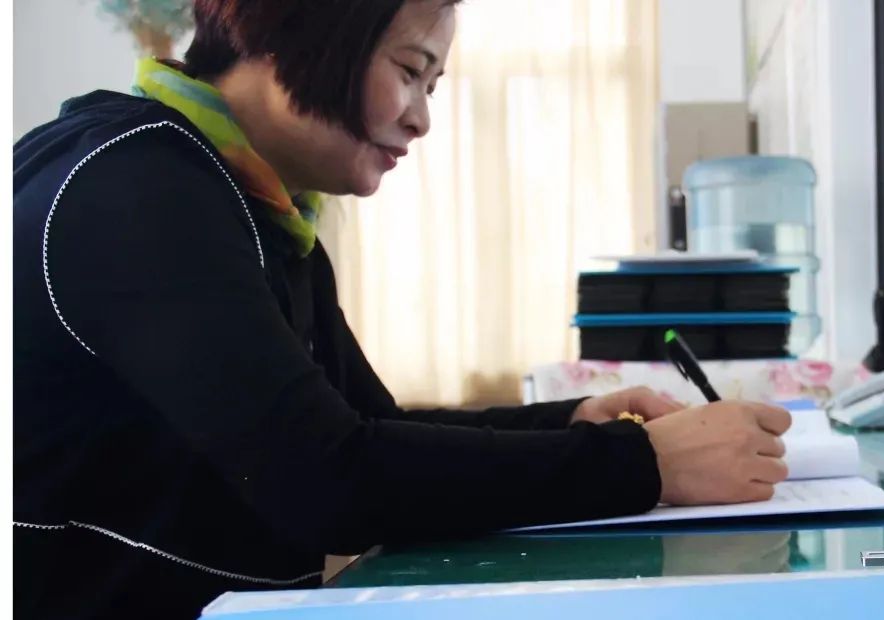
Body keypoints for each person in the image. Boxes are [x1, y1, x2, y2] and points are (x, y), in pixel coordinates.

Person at [12, 0, 792, 618]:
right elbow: (327, 483)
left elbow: (365, 427)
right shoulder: (135, 185)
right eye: (411, 72)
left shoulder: (260, 209)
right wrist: (644, 465)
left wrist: (573, 420)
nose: (421, 118)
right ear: (305, 26)